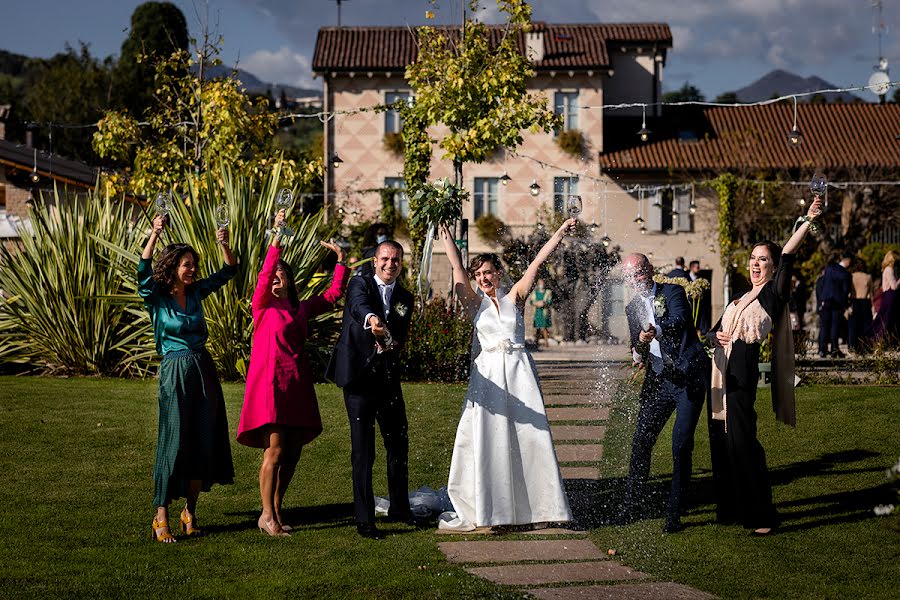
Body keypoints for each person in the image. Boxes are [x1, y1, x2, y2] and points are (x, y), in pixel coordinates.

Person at [436, 220, 575, 532]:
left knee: (529, 438)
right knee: (492, 439)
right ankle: (493, 512)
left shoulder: (516, 296)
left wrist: (561, 232)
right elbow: (457, 269)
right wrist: (447, 240)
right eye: (479, 274)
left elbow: (538, 262)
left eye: (488, 272)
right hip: (489, 378)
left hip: (519, 373)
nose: (484, 278)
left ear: (498, 272)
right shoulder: (474, 303)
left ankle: (543, 507)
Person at [708, 197, 822, 535]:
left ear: (773, 267)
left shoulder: (772, 294)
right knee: (724, 445)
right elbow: (713, 331)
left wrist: (807, 221)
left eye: (763, 260)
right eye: (753, 259)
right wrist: (713, 338)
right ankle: (731, 508)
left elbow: (788, 254)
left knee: (745, 446)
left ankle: (762, 514)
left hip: (741, 377)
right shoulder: (740, 298)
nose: (756, 265)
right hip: (717, 376)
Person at [237, 209, 350, 536]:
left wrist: (341, 260)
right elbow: (265, 271)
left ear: (289, 279)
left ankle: (275, 508)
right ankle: (267, 515)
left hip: (296, 385)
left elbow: (331, 296)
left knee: (293, 452)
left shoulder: (300, 308)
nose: (274, 278)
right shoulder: (262, 306)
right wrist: (278, 234)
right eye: (271, 275)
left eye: (279, 275)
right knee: (273, 449)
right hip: (270, 386)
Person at [138, 214, 238, 543]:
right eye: (186, 264)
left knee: (203, 439)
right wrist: (154, 233)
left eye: (194, 263)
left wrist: (223, 244)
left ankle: (189, 513)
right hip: (175, 371)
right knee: (173, 441)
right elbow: (142, 272)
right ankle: (161, 515)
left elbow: (229, 271)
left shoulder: (195, 293)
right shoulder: (157, 297)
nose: (192, 269)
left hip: (202, 369)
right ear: (172, 267)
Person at [326, 240, 415, 540]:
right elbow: (358, 307)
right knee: (363, 451)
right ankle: (364, 519)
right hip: (359, 378)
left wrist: (389, 340)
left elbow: (399, 335)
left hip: (388, 378)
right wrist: (374, 321)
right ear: (375, 261)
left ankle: (400, 508)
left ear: (401, 263)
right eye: (386, 259)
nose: (391, 264)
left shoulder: (405, 297)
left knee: (398, 443)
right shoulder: (359, 283)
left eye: (396, 260)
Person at [620, 253, 707, 533]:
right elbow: (637, 343)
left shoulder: (673, 291)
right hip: (658, 380)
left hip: (687, 377)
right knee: (641, 439)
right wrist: (637, 353)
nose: (637, 279)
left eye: (640, 272)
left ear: (651, 270)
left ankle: (675, 511)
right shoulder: (632, 307)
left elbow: (681, 319)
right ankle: (633, 503)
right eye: (631, 276)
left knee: (680, 445)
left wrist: (655, 329)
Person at [817, 255, 852, 358]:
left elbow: (823, 284)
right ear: (848, 261)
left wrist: (821, 300)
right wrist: (846, 305)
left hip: (826, 300)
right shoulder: (845, 274)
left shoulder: (829, 268)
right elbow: (846, 291)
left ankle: (822, 350)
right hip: (838, 302)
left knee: (824, 326)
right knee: (835, 326)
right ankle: (834, 349)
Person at [872, 250, 899, 345]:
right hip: (890, 296)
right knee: (886, 319)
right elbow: (894, 286)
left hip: (888, 296)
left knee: (885, 319)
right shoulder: (889, 269)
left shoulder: (887, 269)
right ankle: (879, 340)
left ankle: (884, 341)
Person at [847, 258, 873, 353]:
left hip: (854, 301)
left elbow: (848, 292)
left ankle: (852, 346)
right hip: (865, 301)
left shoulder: (851, 276)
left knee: (853, 326)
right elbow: (870, 294)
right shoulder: (868, 277)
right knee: (865, 326)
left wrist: (847, 305)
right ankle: (865, 346)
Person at [689, 259, 712, 335]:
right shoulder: (686, 277)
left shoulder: (701, 278)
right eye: (697, 267)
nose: (699, 269)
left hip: (700, 305)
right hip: (690, 306)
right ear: (692, 268)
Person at [529, 278, 553, 349]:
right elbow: (531, 301)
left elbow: (550, 301)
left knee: (544, 327)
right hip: (537, 311)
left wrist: (544, 303)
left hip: (544, 312)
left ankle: (546, 342)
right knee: (537, 328)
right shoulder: (535, 292)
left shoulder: (548, 292)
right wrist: (536, 303)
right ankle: (536, 342)